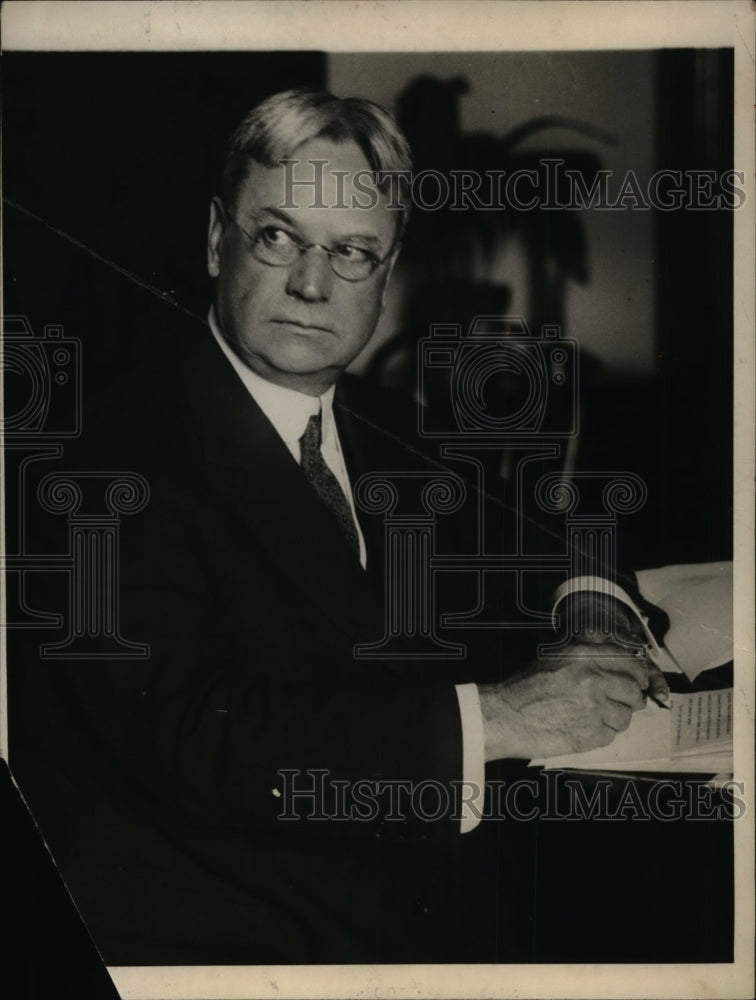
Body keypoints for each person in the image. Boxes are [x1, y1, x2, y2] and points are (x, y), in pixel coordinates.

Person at [9, 88, 668, 966]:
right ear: (217, 240)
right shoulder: (103, 455)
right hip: (222, 942)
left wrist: (590, 609)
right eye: (278, 237)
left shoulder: (392, 424)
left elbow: (547, 537)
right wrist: (502, 719)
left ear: (387, 274)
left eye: (352, 253)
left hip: (419, 909)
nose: (313, 285)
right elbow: (196, 734)